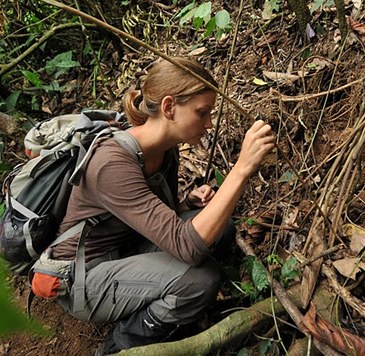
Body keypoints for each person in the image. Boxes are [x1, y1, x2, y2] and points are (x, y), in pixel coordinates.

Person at [44, 58, 276, 354]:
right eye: (202, 113)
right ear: (169, 107)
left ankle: (167, 308)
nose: (208, 124)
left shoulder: (164, 150)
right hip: (83, 277)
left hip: (127, 251)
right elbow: (187, 246)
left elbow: (156, 221)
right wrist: (241, 169)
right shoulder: (112, 163)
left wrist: (187, 204)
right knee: (200, 280)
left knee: (221, 229)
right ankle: (123, 344)